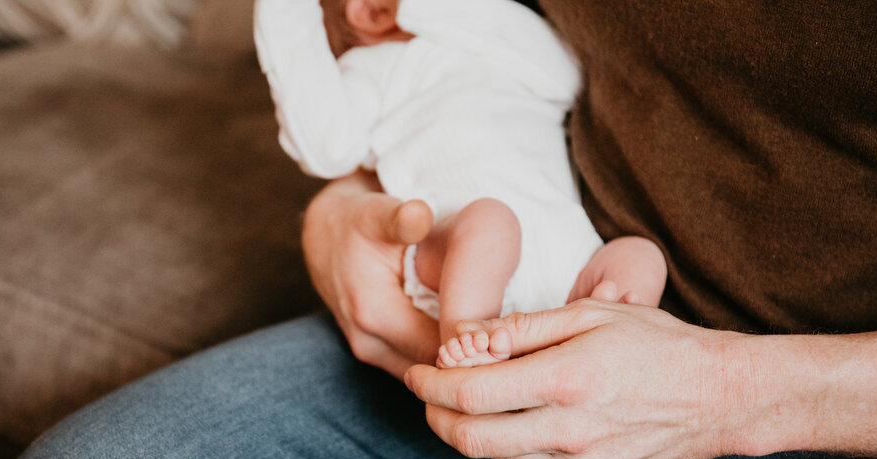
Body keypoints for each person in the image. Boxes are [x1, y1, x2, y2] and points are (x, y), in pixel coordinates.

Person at [0, 1, 877, 459]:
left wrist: (733, 391)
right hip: (548, 330)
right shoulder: (417, 50)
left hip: (853, 453)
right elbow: (359, 130)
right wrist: (340, 218)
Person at [255, 0, 667, 367]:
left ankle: (610, 343)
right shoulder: (375, 70)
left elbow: (566, 77)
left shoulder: (503, 48)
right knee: (492, 221)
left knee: (640, 256)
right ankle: (471, 354)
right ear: (374, 11)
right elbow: (326, 145)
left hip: (573, 267)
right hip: (455, 254)